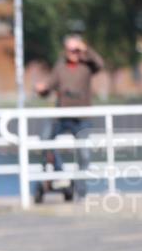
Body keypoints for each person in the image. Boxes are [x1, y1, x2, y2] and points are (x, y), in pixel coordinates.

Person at [34, 34, 104, 198]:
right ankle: (61, 174)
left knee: (84, 152)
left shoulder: (87, 64)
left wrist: (85, 50)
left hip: (81, 117)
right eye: (70, 49)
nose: (73, 52)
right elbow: (49, 86)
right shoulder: (60, 66)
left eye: (76, 49)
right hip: (62, 115)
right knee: (45, 139)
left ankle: (80, 185)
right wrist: (42, 88)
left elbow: (100, 64)